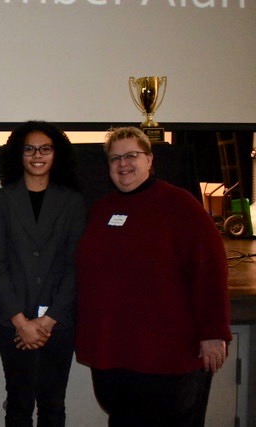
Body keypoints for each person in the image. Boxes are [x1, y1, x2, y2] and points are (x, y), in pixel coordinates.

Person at [74, 126, 232, 426]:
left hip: (168, 355)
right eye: (115, 158)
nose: (123, 164)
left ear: (149, 159)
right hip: (114, 352)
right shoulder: (102, 209)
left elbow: (210, 270)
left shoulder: (181, 205)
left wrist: (214, 332)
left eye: (132, 155)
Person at [0, 120, 86, 426]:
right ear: (19, 154)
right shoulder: (2, 200)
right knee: (18, 403)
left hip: (58, 322)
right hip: (14, 323)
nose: (37, 155)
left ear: (57, 154)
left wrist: (47, 321)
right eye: (29, 148)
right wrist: (21, 321)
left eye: (45, 148)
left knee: (53, 405)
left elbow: (76, 266)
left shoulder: (72, 202)